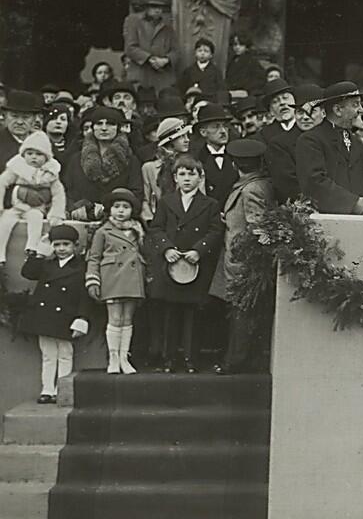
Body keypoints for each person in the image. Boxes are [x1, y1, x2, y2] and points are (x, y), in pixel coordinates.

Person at [148, 154, 223, 373]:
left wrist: (199, 250)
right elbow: (156, 228)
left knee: (193, 314)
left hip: (195, 265)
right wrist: (167, 248)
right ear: (175, 178)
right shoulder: (166, 202)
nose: (187, 179)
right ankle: (169, 358)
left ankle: (191, 359)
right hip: (172, 264)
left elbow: (215, 231)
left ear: (201, 177)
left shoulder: (210, 204)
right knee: (170, 313)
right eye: (182, 174)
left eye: (192, 174)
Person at [211, 139, 275, 375]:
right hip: (245, 260)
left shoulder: (250, 189)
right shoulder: (259, 184)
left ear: (235, 164)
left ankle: (236, 361)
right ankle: (246, 359)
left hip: (243, 261)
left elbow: (256, 227)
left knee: (242, 311)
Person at [19, 224, 89, 404]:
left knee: (65, 353)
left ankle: (62, 389)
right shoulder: (47, 264)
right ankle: (47, 389)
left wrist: (82, 318)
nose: (61, 249)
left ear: (75, 245)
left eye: (66, 244)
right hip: (45, 314)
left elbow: (84, 295)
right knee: (48, 354)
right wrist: (40, 254)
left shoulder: (82, 266)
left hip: (67, 315)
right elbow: (28, 273)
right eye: (57, 245)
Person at [295, 81, 363, 215]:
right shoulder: (311, 140)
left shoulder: (357, 141)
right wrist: (353, 204)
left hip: (362, 219)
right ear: (337, 110)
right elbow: (314, 182)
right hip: (327, 221)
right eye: (355, 104)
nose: (361, 110)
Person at [85, 188, 146, 374]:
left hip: (132, 278)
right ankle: (113, 358)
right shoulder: (103, 231)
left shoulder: (138, 230)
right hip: (112, 278)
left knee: (127, 319)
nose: (121, 210)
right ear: (109, 209)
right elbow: (94, 257)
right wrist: (93, 280)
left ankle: (124, 357)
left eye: (125, 207)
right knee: (115, 318)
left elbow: (146, 253)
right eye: (116, 206)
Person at [63, 106, 142, 222]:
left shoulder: (131, 161)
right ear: (93, 127)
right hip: (80, 219)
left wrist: (108, 209)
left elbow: (136, 193)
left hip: (116, 221)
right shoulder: (76, 159)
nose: (104, 128)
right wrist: (75, 207)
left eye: (110, 124)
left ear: (118, 128)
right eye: (99, 124)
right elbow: (66, 190)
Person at [0, 133, 67, 264]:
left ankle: (31, 247)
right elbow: (1, 182)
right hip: (17, 206)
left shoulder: (51, 172)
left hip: (36, 208)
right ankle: (0, 254)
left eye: (39, 154)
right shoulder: (17, 167)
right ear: (23, 154)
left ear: (46, 157)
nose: (34, 157)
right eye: (29, 153)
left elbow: (58, 194)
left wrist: (56, 213)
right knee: (5, 222)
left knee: (36, 219)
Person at [268, 83, 326, 205]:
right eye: (300, 112)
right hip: (302, 209)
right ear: (294, 113)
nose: (305, 117)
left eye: (311, 111)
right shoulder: (280, 145)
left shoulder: (333, 140)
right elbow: (289, 187)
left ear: (323, 112)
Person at [141, 117, 197, 223]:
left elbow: (200, 198)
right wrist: (151, 222)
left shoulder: (194, 166)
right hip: (159, 223)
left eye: (187, 136)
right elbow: (145, 200)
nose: (187, 140)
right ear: (170, 141)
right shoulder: (149, 168)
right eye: (181, 137)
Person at [123, 0, 177, 93]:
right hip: (141, 74)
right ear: (146, 8)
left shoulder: (168, 27)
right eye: (154, 7)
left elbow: (175, 51)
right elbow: (130, 48)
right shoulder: (134, 22)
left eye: (160, 7)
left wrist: (166, 60)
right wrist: (150, 58)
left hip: (163, 77)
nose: (157, 10)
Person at [194, 102, 237, 207]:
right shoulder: (196, 160)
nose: (223, 131)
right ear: (203, 132)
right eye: (216, 127)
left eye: (225, 126)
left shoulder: (236, 156)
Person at [0, 89, 45, 166]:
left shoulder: (42, 142)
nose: (19, 122)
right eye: (14, 116)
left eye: (25, 117)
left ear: (34, 119)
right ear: (5, 116)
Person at [43, 102, 76, 169]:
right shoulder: (38, 144)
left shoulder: (74, 146)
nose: (58, 122)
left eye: (63, 119)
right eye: (54, 118)